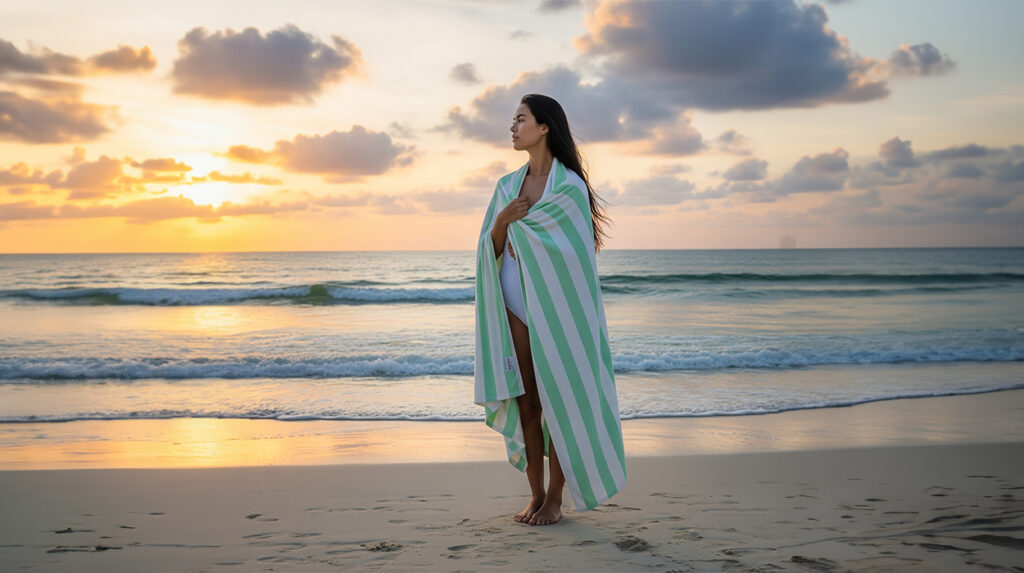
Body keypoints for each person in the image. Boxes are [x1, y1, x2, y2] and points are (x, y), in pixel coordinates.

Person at [474, 93, 624, 526]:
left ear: (543, 127)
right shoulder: (505, 186)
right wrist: (502, 221)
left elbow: (574, 262)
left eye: (520, 119)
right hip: (513, 302)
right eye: (512, 120)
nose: (513, 127)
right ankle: (535, 495)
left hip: (558, 310)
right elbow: (491, 250)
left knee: (559, 398)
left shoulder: (569, 189)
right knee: (528, 402)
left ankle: (557, 498)